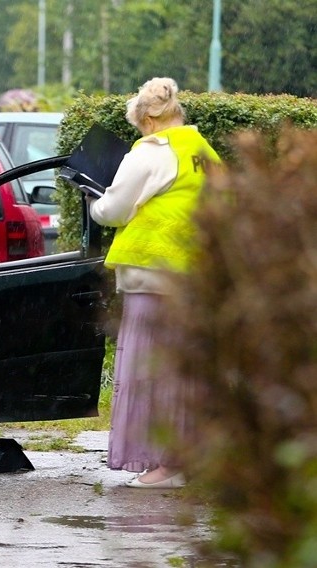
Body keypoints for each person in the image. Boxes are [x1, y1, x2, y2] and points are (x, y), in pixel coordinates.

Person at [88, 77, 220, 489]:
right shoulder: (203, 152)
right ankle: (187, 459)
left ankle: (163, 465)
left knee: (150, 374)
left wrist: (95, 201)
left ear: (147, 119)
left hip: (155, 278)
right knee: (185, 374)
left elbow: (114, 208)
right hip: (197, 277)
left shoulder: (151, 152)